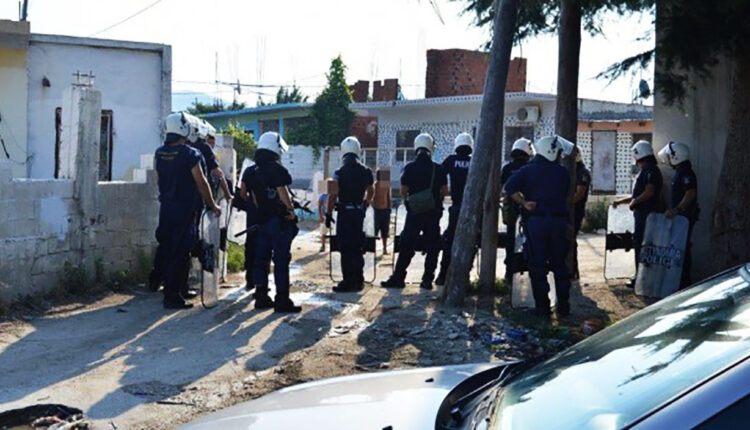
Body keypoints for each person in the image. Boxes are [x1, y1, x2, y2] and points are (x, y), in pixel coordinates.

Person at [153, 112, 221, 309]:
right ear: (184, 128)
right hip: (185, 210)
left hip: (166, 208)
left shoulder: (160, 153)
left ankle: (178, 288)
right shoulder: (190, 154)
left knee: (168, 248)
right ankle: (173, 296)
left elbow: (159, 178)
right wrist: (212, 205)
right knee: (182, 252)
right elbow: (202, 182)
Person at [504, 136, 572, 318]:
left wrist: (524, 203)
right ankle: (563, 307)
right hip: (559, 223)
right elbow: (566, 194)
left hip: (537, 223)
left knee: (537, 266)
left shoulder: (527, 171)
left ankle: (543, 308)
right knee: (560, 265)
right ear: (552, 151)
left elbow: (509, 188)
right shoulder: (563, 172)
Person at [244, 131, 302, 313]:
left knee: (261, 259)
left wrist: (262, 211)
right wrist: (290, 211)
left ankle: (261, 297)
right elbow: (282, 192)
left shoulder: (251, 171)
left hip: (261, 221)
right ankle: (282, 300)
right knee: (281, 260)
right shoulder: (276, 169)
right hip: (278, 221)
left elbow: (252, 197)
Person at [381, 133, 447, 291]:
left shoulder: (409, 167)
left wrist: (409, 202)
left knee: (407, 244)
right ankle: (427, 280)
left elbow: (403, 190)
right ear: (431, 148)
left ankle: (398, 277)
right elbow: (445, 191)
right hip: (433, 213)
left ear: (416, 147)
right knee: (433, 246)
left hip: (414, 213)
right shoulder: (438, 168)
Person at [326, 137, 374, 292]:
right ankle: (359, 280)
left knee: (346, 248)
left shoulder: (338, 172)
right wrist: (366, 203)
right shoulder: (366, 171)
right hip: (359, 213)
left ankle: (348, 282)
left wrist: (328, 213)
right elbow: (371, 190)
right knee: (357, 247)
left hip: (344, 214)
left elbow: (332, 195)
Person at [613, 140, 663, 285]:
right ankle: (641, 276)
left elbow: (648, 192)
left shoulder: (649, 170)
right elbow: (638, 194)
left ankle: (641, 278)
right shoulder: (646, 170)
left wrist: (634, 202)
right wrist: (621, 201)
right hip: (643, 213)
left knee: (641, 244)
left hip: (645, 214)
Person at [657, 141, 698, 288]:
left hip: (684, 217)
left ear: (676, 156)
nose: (668, 159)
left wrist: (677, 210)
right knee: (679, 248)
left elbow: (690, 193)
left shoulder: (686, 172)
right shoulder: (681, 171)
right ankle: (679, 281)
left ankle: (684, 283)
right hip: (680, 217)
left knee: (683, 249)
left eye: (670, 156)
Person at [435, 132, 473, 286]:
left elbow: (438, 175)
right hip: (472, 210)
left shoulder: (451, 160)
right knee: (471, 243)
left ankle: (443, 276)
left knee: (449, 242)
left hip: (456, 208)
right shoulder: (474, 161)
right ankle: (465, 277)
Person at [500, 137, 533, 285]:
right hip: (529, 209)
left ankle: (509, 274)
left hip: (511, 210)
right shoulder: (530, 167)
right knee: (529, 240)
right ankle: (529, 272)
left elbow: (502, 188)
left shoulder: (507, 168)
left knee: (510, 241)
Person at [239, 163, 260, 292]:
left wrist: (251, 203)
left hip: (252, 215)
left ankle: (250, 280)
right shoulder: (274, 169)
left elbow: (242, 193)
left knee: (251, 245)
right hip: (269, 214)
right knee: (265, 247)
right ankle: (261, 283)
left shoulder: (249, 170)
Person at [571, 147, 591, 280]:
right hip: (569, 210)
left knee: (570, 239)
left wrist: (564, 205)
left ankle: (573, 270)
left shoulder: (582, 172)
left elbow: (579, 194)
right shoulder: (571, 170)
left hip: (575, 211)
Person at [372, 170, 392, 255]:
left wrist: (389, 208)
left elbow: (389, 197)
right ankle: (374, 249)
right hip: (376, 210)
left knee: (385, 231)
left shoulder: (386, 185)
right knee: (374, 231)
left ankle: (384, 249)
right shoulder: (374, 185)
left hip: (384, 210)